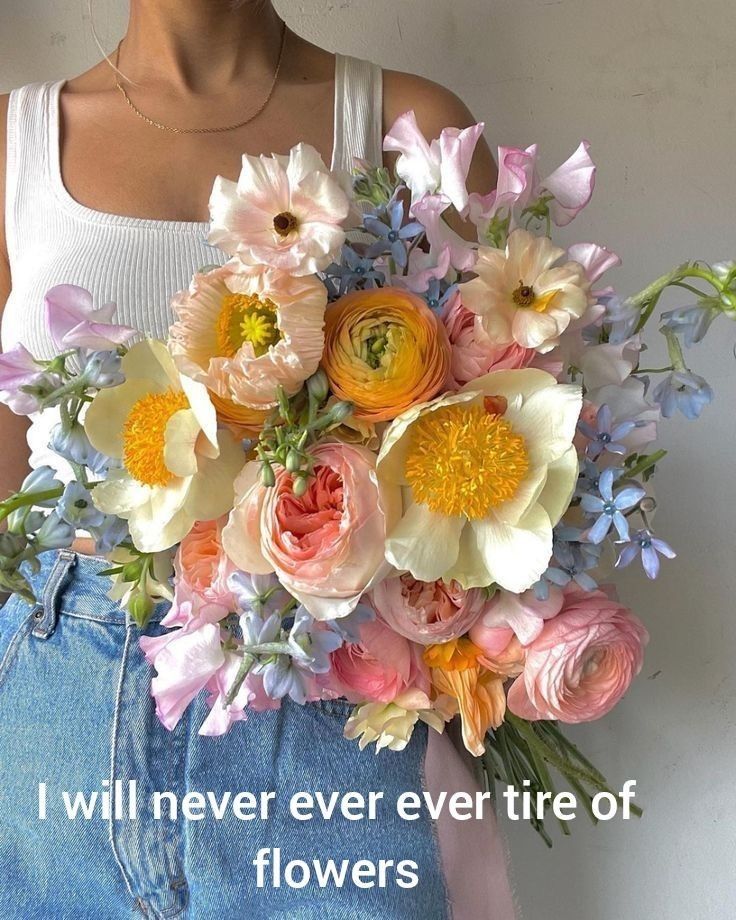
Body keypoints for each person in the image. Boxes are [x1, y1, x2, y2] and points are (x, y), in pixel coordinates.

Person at [0, 2, 517, 917]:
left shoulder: (411, 132)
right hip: (54, 721)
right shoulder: (14, 142)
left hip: (328, 708)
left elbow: (496, 436)